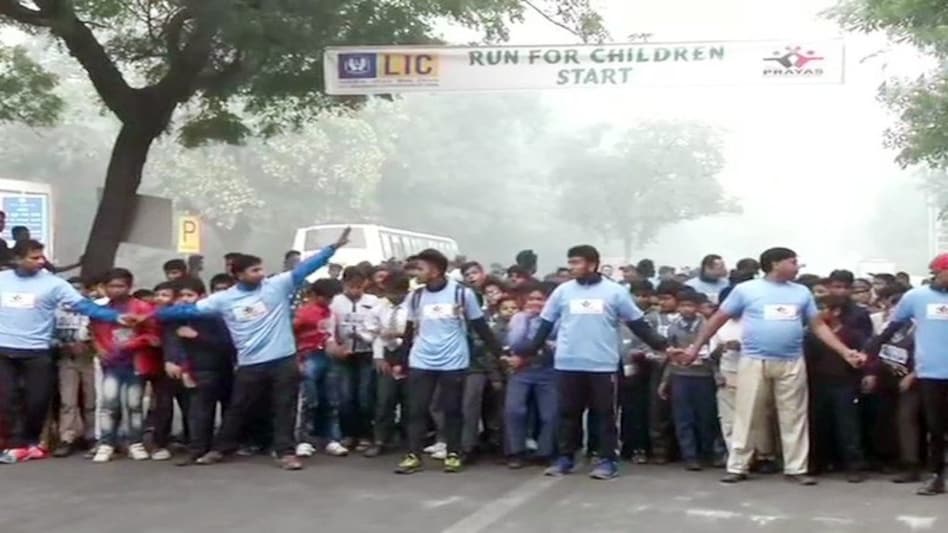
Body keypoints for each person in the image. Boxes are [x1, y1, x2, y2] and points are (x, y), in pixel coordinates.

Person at [154, 226, 350, 470]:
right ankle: (220, 449)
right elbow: (189, 310)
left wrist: (331, 249)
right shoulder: (223, 299)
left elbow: (305, 268)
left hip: (283, 359)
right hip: (250, 362)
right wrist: (155, 314)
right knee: (237, 408)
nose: (261, 273)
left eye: (261, 268)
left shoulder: (276, 286)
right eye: (254, 270)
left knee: (284, 407)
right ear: (238, 275)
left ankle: (286, 452)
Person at [684, 247, 868, 486]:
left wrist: (845, 352)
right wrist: (694, 348)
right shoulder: (746, 290)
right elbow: (718, 319)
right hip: (754, 360)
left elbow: (818, 327)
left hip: (792, 361)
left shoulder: (801, 292)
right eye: (792, 262)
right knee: (747, 414)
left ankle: (796, 468)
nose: (797, 266)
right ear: (774, 264)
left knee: (794, 415)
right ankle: (738, 466)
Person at [515, 245, 670, 480]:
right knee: (568, 414)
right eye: (570, 262)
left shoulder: (615, 292)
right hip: (568, 363)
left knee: (604, 415)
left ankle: (607, 460)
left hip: (603, 364)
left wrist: (665, 347)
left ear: (592, 264)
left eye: (576, 262)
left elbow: (638, 324)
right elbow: (545, 325)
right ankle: (565, 458)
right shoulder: (562, 292)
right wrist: (526, 352)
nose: (571, 267)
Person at [0, 240, 129, 463]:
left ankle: (32, 441)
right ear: (17, 259)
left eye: (42, 257)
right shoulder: (3, 280)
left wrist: (114, 317)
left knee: (37, 401)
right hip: (4, 350)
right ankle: (16, 444)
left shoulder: (54, 284)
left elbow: (84, 306)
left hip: (38, 350)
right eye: (34, 257)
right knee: (7, 399)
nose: (41, 261)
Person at [394, 249, 504, 475]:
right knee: (416, 409)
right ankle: (413, 455)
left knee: (452, 409)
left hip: (453, 360)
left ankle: (454, 453)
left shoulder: (462, 294)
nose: (417, 273)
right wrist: (401, 360)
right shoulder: (415, 296)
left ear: (435, 270)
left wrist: (499, 353)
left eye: (420, 268)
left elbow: (480, 327)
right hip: (421, 359)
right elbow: (408, 330)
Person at [866, 253, 948, 495]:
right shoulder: (916, 297)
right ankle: (936, 477)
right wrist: (869, 349)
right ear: (939, 272)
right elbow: (892, 327)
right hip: (931, 372)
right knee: (936, 428)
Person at [89, 268, 160, 463]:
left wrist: (131, 344)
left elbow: (154, 336)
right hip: (111, 363)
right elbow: (93, 332)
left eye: (120, 286)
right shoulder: (100, 310)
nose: (116, 290)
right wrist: (99, 349)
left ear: (129, 287)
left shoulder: (142, 308)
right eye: (111, 286)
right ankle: (106, 444)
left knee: (134, 404)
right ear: (104, 287)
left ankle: (135, 443)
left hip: (135, 363)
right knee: (109, 404)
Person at [163, 277, 236, 466]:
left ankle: (223, 446)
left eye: (190, 295)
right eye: (181, 296)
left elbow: (227, 344)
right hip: (193, 369)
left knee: (226, 409)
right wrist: (171, 360)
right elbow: (171, 340)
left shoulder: (213, 316)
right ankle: (197, 449)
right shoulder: (174, 318)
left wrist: (198, 336)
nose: (185, 299)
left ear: (202, 296)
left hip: (217, 367)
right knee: (198, 412)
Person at [805, 294, 869, 483]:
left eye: (823, 308)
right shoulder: (810, 335)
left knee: (848, 426)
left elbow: (864, 357)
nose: (817, 312)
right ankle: (817, 463)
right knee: (817, 424)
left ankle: (854, 466)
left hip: (844, 383)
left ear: (836, 311)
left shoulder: (852, 335)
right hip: (817, 383)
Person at [659, 291, 719, 471]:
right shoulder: (673, 327)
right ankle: (690, 456)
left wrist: (717, 374)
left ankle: (706, 453)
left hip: (704, 376)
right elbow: (669, 356)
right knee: (683, 418)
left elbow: (715, 353)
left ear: (698, 307)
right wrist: (664, 381)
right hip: (680, 376)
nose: (687, 309)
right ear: (678, 307)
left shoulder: (708, 325)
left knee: (706, 417)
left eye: (691, 305)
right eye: (683, 305)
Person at [505, 282, 558, 469]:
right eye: (531, 299)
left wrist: (538, 347)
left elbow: (556, 347)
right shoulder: (518, 318)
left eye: (540, 299)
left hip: (548, 371)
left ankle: (545, 452)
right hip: (521, 372)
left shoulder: (556, 320)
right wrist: (526, 320)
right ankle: (516, 451)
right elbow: (515, 344)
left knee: (549, 414)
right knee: (514, 410)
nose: (535, 303)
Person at [293, 279, 347, 459]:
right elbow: (291, 334)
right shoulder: (304, 313)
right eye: (327, 297)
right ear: (315, 296)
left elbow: (329, 335)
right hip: (308, 356)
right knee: (310, 400)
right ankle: (304, 440)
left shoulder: (329, 313)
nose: (330, 300)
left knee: (331, 399)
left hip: (327, 355)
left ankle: (331, 438)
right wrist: (297, 359)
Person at [330, 267, 380, 452]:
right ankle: (348, 433)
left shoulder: (373, 302)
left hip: (366, 353)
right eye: (351, 287)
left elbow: (377, 326)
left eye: (359, 287)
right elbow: (330, 327)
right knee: (345, 396)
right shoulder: (335, 302)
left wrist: (364, 336)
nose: (355, 291)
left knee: (365, 395)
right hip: (344, 354)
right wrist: (334, 345)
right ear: (344, 284)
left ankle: (366, 434)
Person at [364, 274, 411, 458]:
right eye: (388, 292)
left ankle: (410, 441)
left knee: (410, 401)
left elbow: (416, 332)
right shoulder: (380, 307)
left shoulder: (413, 307)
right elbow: (374, 333)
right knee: (384, 400)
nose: (392, 296)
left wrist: (397, 334)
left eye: (396, 293)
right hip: (386, 354)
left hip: (409, 353)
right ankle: (380, 440)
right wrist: (378, 356)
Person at [51, 276, 98, 457]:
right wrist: (64, 344)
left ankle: (92, 435)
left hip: (89, 356)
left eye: (79, 288)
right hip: (66, 357)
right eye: (72, 288)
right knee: (67, 400)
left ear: (86, 291)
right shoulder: (56, 310)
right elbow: (47, 333)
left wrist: (91, 344)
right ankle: (67, 437)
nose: (75, 292)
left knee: (91, 399)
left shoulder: (93, 309)